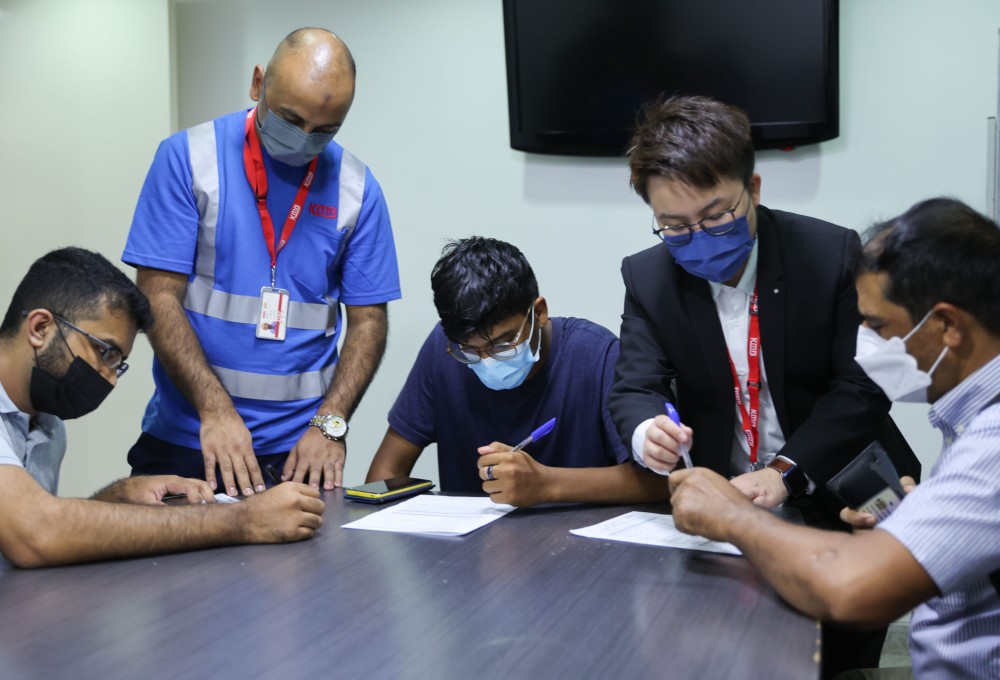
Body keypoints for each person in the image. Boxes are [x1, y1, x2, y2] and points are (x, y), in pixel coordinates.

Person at [609, 95, 913, 676]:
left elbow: (862, 386)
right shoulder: (648, 277)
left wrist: (784, 473)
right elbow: (634, 386)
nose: (698, 236)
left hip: (840, 491)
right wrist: (648, 431)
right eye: (675, 226)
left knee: (839, 660)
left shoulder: (828, 253)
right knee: (724, 655)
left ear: (753, 187)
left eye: (716, 216)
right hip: (729, 508)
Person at [670, 197, 1000, 679]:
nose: (864, 344)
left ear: (947, 325)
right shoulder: (983, 415)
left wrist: (730, 516)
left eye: (877, 326)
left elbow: (852, 590)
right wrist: (918, 524)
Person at [122, 28, 400, 497]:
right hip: (192, 439)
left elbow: (369, 320)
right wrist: (215, 410)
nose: (303, 139)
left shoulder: (357, 188)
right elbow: (157, 296)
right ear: (257, 84)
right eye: (291, 119)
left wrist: (331, 424)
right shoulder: (190, 158)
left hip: (301, 454)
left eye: (325, 130)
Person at [0, 248, 325, 568]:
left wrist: (119, 497)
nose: (110, 379)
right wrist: (242, 519)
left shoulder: (47, 426)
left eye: (118, 364)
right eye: (105, 352)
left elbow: (24, 531)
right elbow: (36, 533)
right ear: (41, 328)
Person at [365, 237, 666, 507]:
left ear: (539, 312)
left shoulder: (597, 356)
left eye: (503, 343)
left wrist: (547, 484)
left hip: (577, 544)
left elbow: (660, 482)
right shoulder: (443, 349)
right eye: (471, 350)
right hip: (470, 546)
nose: (487, 361)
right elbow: (387, 471)